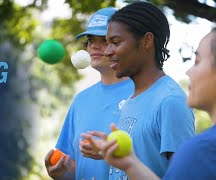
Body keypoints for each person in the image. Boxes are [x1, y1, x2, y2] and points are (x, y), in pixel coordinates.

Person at [82, 2, 195, 179]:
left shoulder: (170, 101)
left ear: (147, 41)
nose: (108, 51)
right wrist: (110, 152)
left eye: (116, 42)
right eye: (108, 43)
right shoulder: (132, 99)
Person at [89, 27, 216, 180]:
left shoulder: (202, 149)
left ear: (147, 41)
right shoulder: (130, 101)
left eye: (197, 62)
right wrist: (130, 164)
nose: (188, 71)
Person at [44, 7, 134, 179]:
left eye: (104, 39)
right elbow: (74, 167)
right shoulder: (81, 100)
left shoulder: (142, 92)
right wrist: (61, 173)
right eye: (91, 39)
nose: (94, 45)